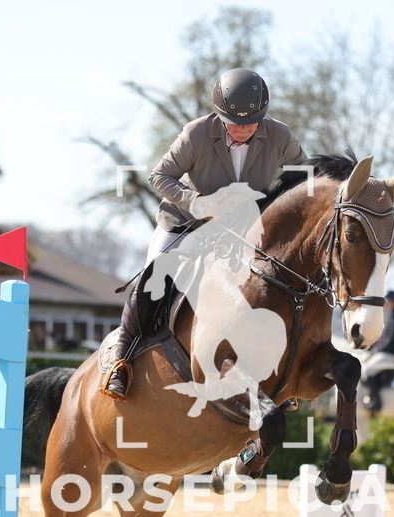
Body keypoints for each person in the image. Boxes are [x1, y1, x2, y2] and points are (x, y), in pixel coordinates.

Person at [100, 67, 308, 400]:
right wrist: (197, 203)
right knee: (154, 274)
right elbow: (159, 176)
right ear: (219, 115)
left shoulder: (279, 135)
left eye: (251, 123)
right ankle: (121, 354)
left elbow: (305, 178)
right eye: (235, 123)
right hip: (185, 223)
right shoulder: (197, 133)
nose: (243, 130)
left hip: (240, 231)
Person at [366, 290, 394, 411]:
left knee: (368, 370)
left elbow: (391, 340)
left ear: (392, 302)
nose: (385, 305)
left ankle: (377, 402)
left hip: (393, 353)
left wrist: (378, 350)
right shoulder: (393, 315)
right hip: (388, 351)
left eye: (387, 302)